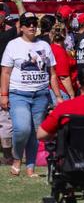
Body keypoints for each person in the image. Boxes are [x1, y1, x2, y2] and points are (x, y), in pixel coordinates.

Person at [2, 13, 64, 176]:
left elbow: (52, 73)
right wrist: (4, 95)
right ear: (21, 26)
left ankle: (30, 167)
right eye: (27, 23)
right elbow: (6, 73)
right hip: (19, 94)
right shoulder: (13, 45)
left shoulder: (45, 45)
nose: (31, 26)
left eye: (34, 23)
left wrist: (58, 96)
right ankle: (17, 158)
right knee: (22, 129)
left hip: (41, 94)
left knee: (35, 132)